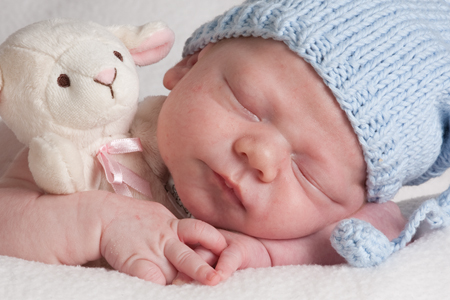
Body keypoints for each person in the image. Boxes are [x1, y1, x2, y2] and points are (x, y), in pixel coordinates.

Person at [0, 0, 449, 286]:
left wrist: (269, 252)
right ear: (188, 65)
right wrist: (99, 222)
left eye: (309, 174)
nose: (262, 157)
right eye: (249, 105)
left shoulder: (337, 220)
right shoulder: (98, 138)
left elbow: (381, 226)